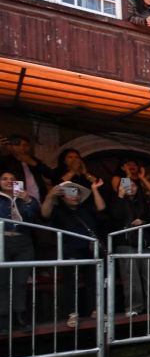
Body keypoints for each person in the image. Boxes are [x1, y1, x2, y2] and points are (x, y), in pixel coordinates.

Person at [41, 180, 107, 324]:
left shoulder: (86, 208)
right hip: (70, 250)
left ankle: (96, 310)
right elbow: (44, 214)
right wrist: (50, 196)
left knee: (93, 281)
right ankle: (72, 314)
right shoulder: (58, 210)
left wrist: (94, 189)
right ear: (63, 196)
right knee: (70, 282)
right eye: (70, 193)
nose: (74, 196)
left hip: (90, 250)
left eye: (77, 193)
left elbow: (101, 208)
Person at [109, 169, 150, 316]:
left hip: (145, 243)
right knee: (131, 278)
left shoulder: (144, 201)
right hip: (126, 244)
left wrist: (143, 220)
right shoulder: (117, 201)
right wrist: (120, 194)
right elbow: (116, 215)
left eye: (134, 185)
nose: (131, 188)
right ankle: (134, 307)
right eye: (127, 185)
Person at [0, 170, 40, 331]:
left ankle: (20, 316)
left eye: (12, 179)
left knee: (20, 282)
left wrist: (28, 200)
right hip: (2, 241)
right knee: (2, 282)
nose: (8, 181)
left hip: (23, 242)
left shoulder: (27, 198)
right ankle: (3, 319)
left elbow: (33, 216)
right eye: (4, 179)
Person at [0, 134, 57, 204]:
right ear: (10, 147)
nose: (22, 147)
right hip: (17, 201)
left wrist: (34, 163)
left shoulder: (33, 160)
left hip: (39, 200)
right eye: (18, 145)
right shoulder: (5, 160)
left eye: (25, 145)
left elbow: (51, 174)